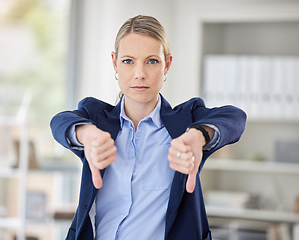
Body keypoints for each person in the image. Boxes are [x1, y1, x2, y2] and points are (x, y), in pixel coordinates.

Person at [51, 15, 246, 240]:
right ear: (115, 63)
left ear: (167, 64)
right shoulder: (97, 120)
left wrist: (200, 135)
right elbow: (58, 121)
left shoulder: (184, 124)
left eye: (152, 61)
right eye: (128, 61)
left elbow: (236, 118)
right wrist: (86, 134)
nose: (140, 73)